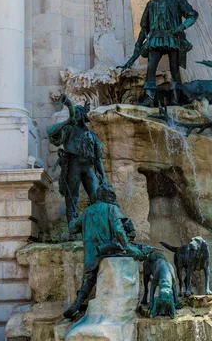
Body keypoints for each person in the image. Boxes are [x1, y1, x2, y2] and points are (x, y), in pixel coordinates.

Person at [63, 183, 143, 318]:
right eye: (111, 194)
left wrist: (74, 216)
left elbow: (73, 228)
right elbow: (118, 229)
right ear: (105, 195)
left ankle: (77, 304)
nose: (113, 196)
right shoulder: (112, 209)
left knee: (89, 278)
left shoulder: (87, 212)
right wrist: (129, 247)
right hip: (110, 250)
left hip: (91, 252)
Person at [125, 0, 198, 107]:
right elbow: (144, 27)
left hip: (172, 37)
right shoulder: (151, 4)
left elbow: (192, 15)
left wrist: (181, 27)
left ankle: (177, 96)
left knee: (174, 68)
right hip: (155, 39)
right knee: (151, 67)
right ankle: (149, 96)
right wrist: (138, 44)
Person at [48, 95, 107, 226]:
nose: (76, 115)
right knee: (72, 197)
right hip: (73, 163)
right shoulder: (68, 129)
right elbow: (50, 133)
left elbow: (97, 157)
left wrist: (103, 175)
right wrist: (67, 121)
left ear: (83, 116)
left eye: (78, 112)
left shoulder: (91, 135)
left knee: (96, 196)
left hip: (88, 165)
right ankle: (72, 227)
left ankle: (98, 226)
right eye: (75, 112)